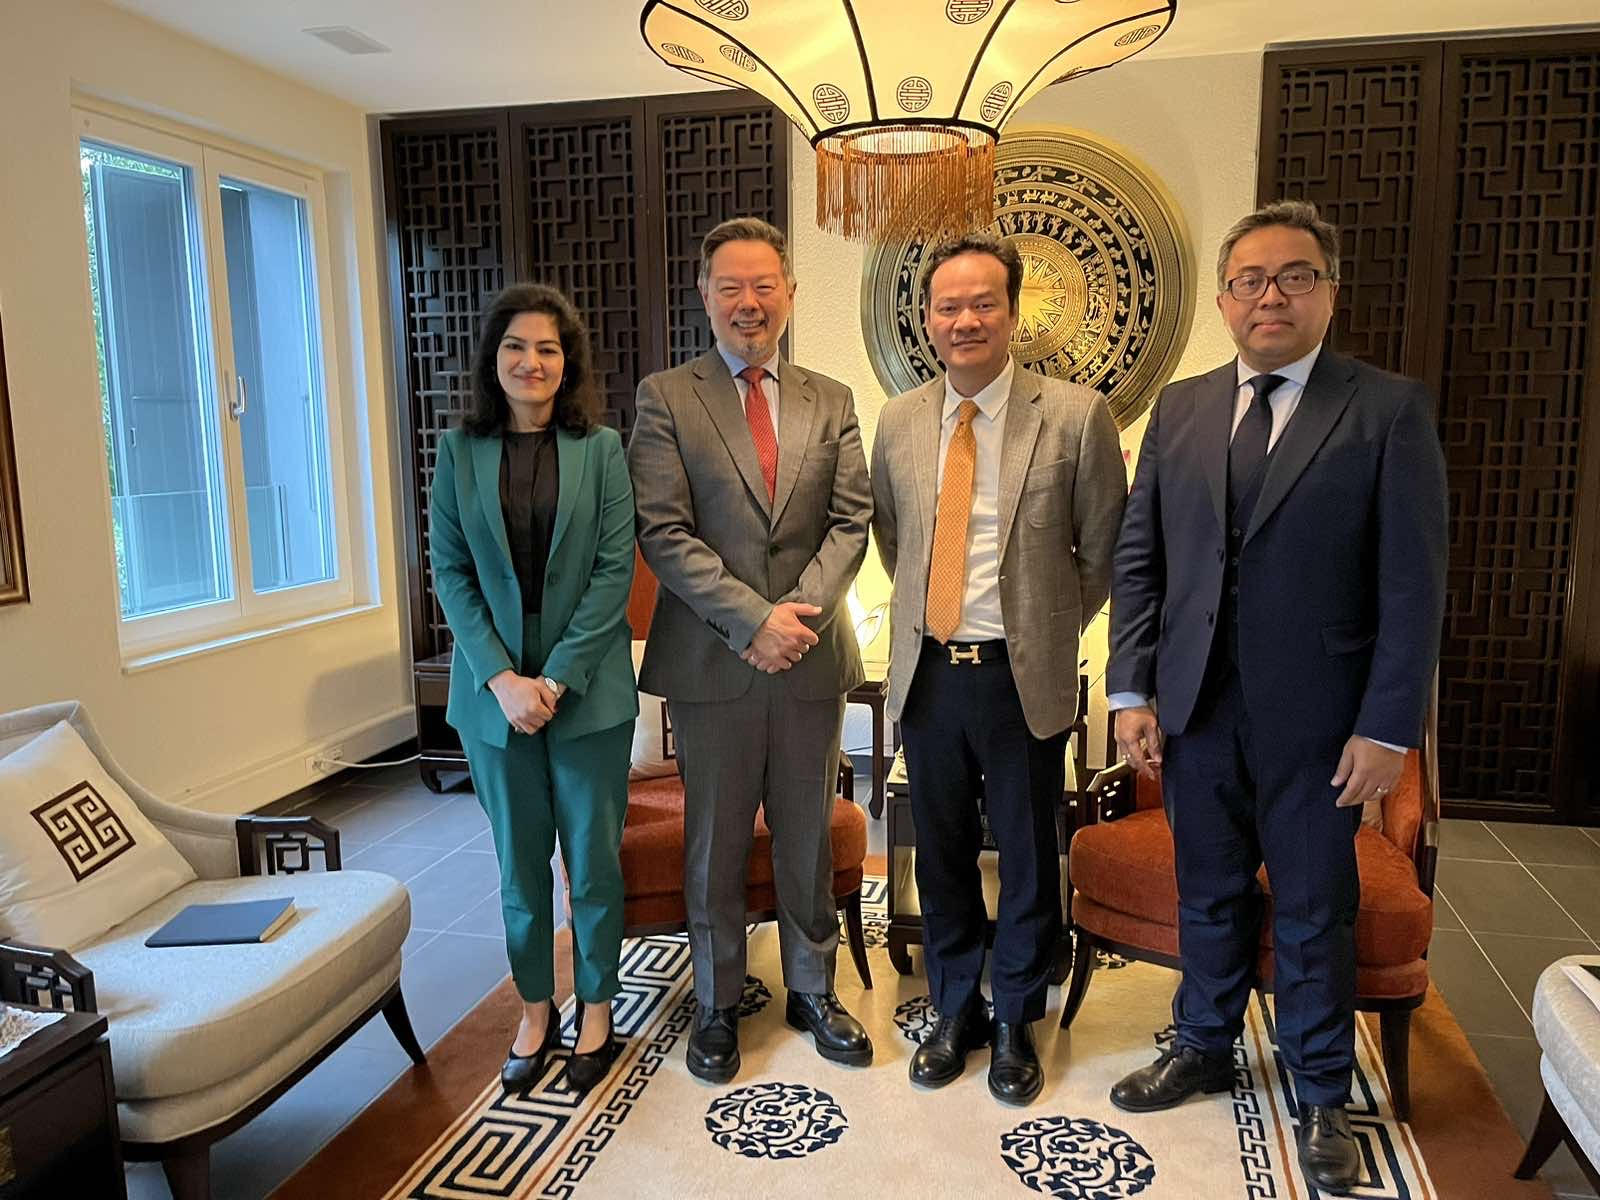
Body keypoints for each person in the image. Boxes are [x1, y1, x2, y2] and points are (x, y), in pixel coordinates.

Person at [1104, 200, 1447, 1192]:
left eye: (1294, 276)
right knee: (1207, 889)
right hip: (1195, 708)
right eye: (1250, 280)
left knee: (1311, 906)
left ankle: (1321, 1088)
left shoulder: (1385, 410)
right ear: (1223, 300)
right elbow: (1141, 563)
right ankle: (1204, 1043)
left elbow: (1412, 586)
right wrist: (1131, 689)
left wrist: (1387, 727)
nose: (1270, 296)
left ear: (1328, 292)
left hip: (1322, 722)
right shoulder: (1181, 408)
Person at [870, 231, 1126, 1104]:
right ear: (928, 320)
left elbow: (1102, 551)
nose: (966, 319)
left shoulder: (1076, 415)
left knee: (1026, 851)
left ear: (1014, 312)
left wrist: (1046, 628)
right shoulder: (900, 420)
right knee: (940, 852)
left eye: (984, 303)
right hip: (930, 673)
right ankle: (955, 1007)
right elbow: (895, 539)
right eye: (949, 306)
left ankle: (1016, 1013)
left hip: (1023, 676)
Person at [628, 217, 873, 1083]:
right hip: (712, 661)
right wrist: (751, 620)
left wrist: (794, 618)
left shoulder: (830, 398)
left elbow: (852, 520)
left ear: (790, 294)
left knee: (808, 835)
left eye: (764, 285)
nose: (748, 302)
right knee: (715, 841)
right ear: (705, 295)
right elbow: (664, 531)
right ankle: (716, 1001)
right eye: (730, 286)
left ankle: (814, 989)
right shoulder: (666, 397)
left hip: (809, 656)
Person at [429, 283, 638, 1096]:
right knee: (519, 866)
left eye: (547, 348)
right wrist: (502, 678)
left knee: (592, 861)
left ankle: (598, 1007)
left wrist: (552, 679)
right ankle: (534, 1007)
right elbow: (450, 570)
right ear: (494, 358)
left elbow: (613, 571)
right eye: (516, 346)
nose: (531, 361)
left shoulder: (602, 449)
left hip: (588, 693)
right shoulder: (459, 452)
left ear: (567, 362)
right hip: (493, 701)